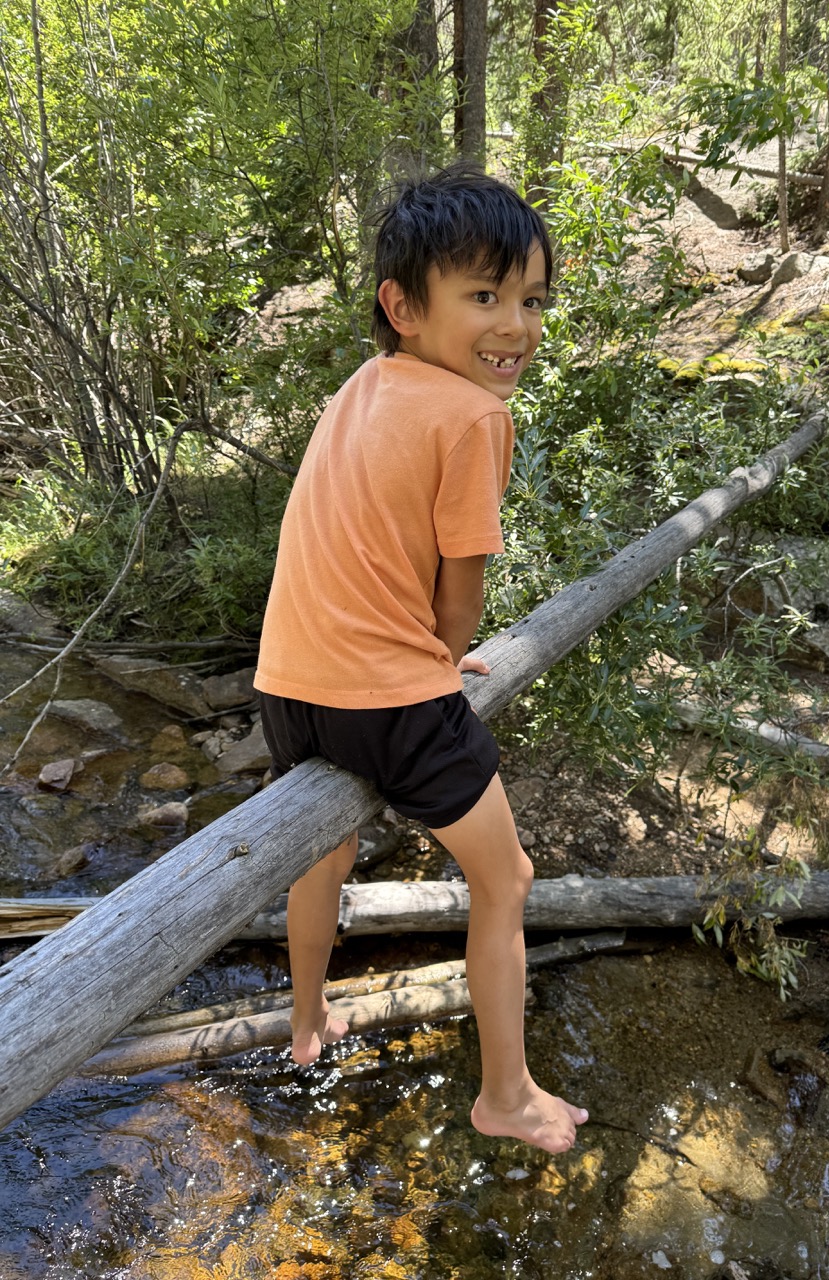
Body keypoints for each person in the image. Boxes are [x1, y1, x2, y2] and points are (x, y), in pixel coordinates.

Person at [254, 163, 588, 1154]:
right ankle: (507, 1094)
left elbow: (350, 544)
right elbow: (459, 584)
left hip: (289, 682)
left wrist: (413, 656)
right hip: (390, 698)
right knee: (508, 877)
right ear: (401, 305)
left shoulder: (357, 389)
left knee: (324, 850)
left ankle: (308, 1016)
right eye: (484, 296)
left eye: (531, 300)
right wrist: (439, 664)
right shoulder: (476, 415)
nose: (515, 325)